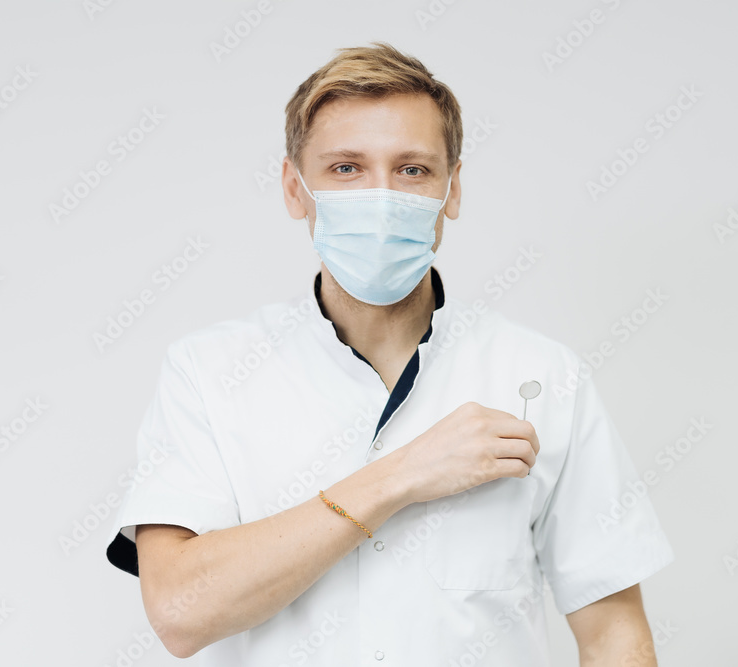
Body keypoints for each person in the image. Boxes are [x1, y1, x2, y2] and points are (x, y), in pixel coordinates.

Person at [105, 41, 674, 665]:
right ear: (296, 190)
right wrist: (404, 474)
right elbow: (181, 614)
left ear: (451, 190)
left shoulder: (542, 378)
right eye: (346, 168)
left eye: (412, 170)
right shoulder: (208, 373)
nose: (382, 198)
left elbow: (615, 635)